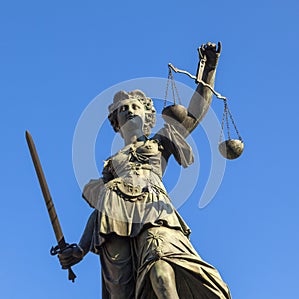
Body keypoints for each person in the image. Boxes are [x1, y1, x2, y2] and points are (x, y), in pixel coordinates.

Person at [58, 42, 232, 299]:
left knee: (162, 269)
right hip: (113, 222)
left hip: (155, 212)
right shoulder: (112, 164)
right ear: (115, 122)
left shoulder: (160, 141)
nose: (128, 111)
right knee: (121, 292)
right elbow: (100, 209)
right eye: (122, 109)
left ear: (148, 115)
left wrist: (209, 69)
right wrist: (81, 249)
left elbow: (195, 113)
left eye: (134, 107)